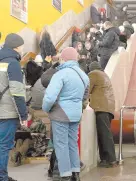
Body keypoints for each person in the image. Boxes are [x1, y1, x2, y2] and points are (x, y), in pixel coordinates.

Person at [42, 47, 89, 181]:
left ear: (63, 58)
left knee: (61, 144)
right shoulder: (83, 75)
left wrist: (46, 108)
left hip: (61, 114)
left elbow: (50, 97)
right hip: (75, 114)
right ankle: (76, 173)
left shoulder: (60, 74)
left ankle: (65, 175)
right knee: (72, 143)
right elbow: (85, 96)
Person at [0, 33, 27, 181]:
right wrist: (23, 115)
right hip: (7, 112)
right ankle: (2, 176)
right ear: (16, 46)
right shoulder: (13, 63)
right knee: (4, 146)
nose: (23, 49)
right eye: (22, 46)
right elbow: (17, 92)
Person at [88, 61, 117, 168]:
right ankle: (105, 159)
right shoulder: (105, 75)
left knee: (104, 134)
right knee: (104, 134)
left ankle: (111, 159)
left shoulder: (93, 74)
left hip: (101, 107)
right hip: (108, 107)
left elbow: (87, 89)